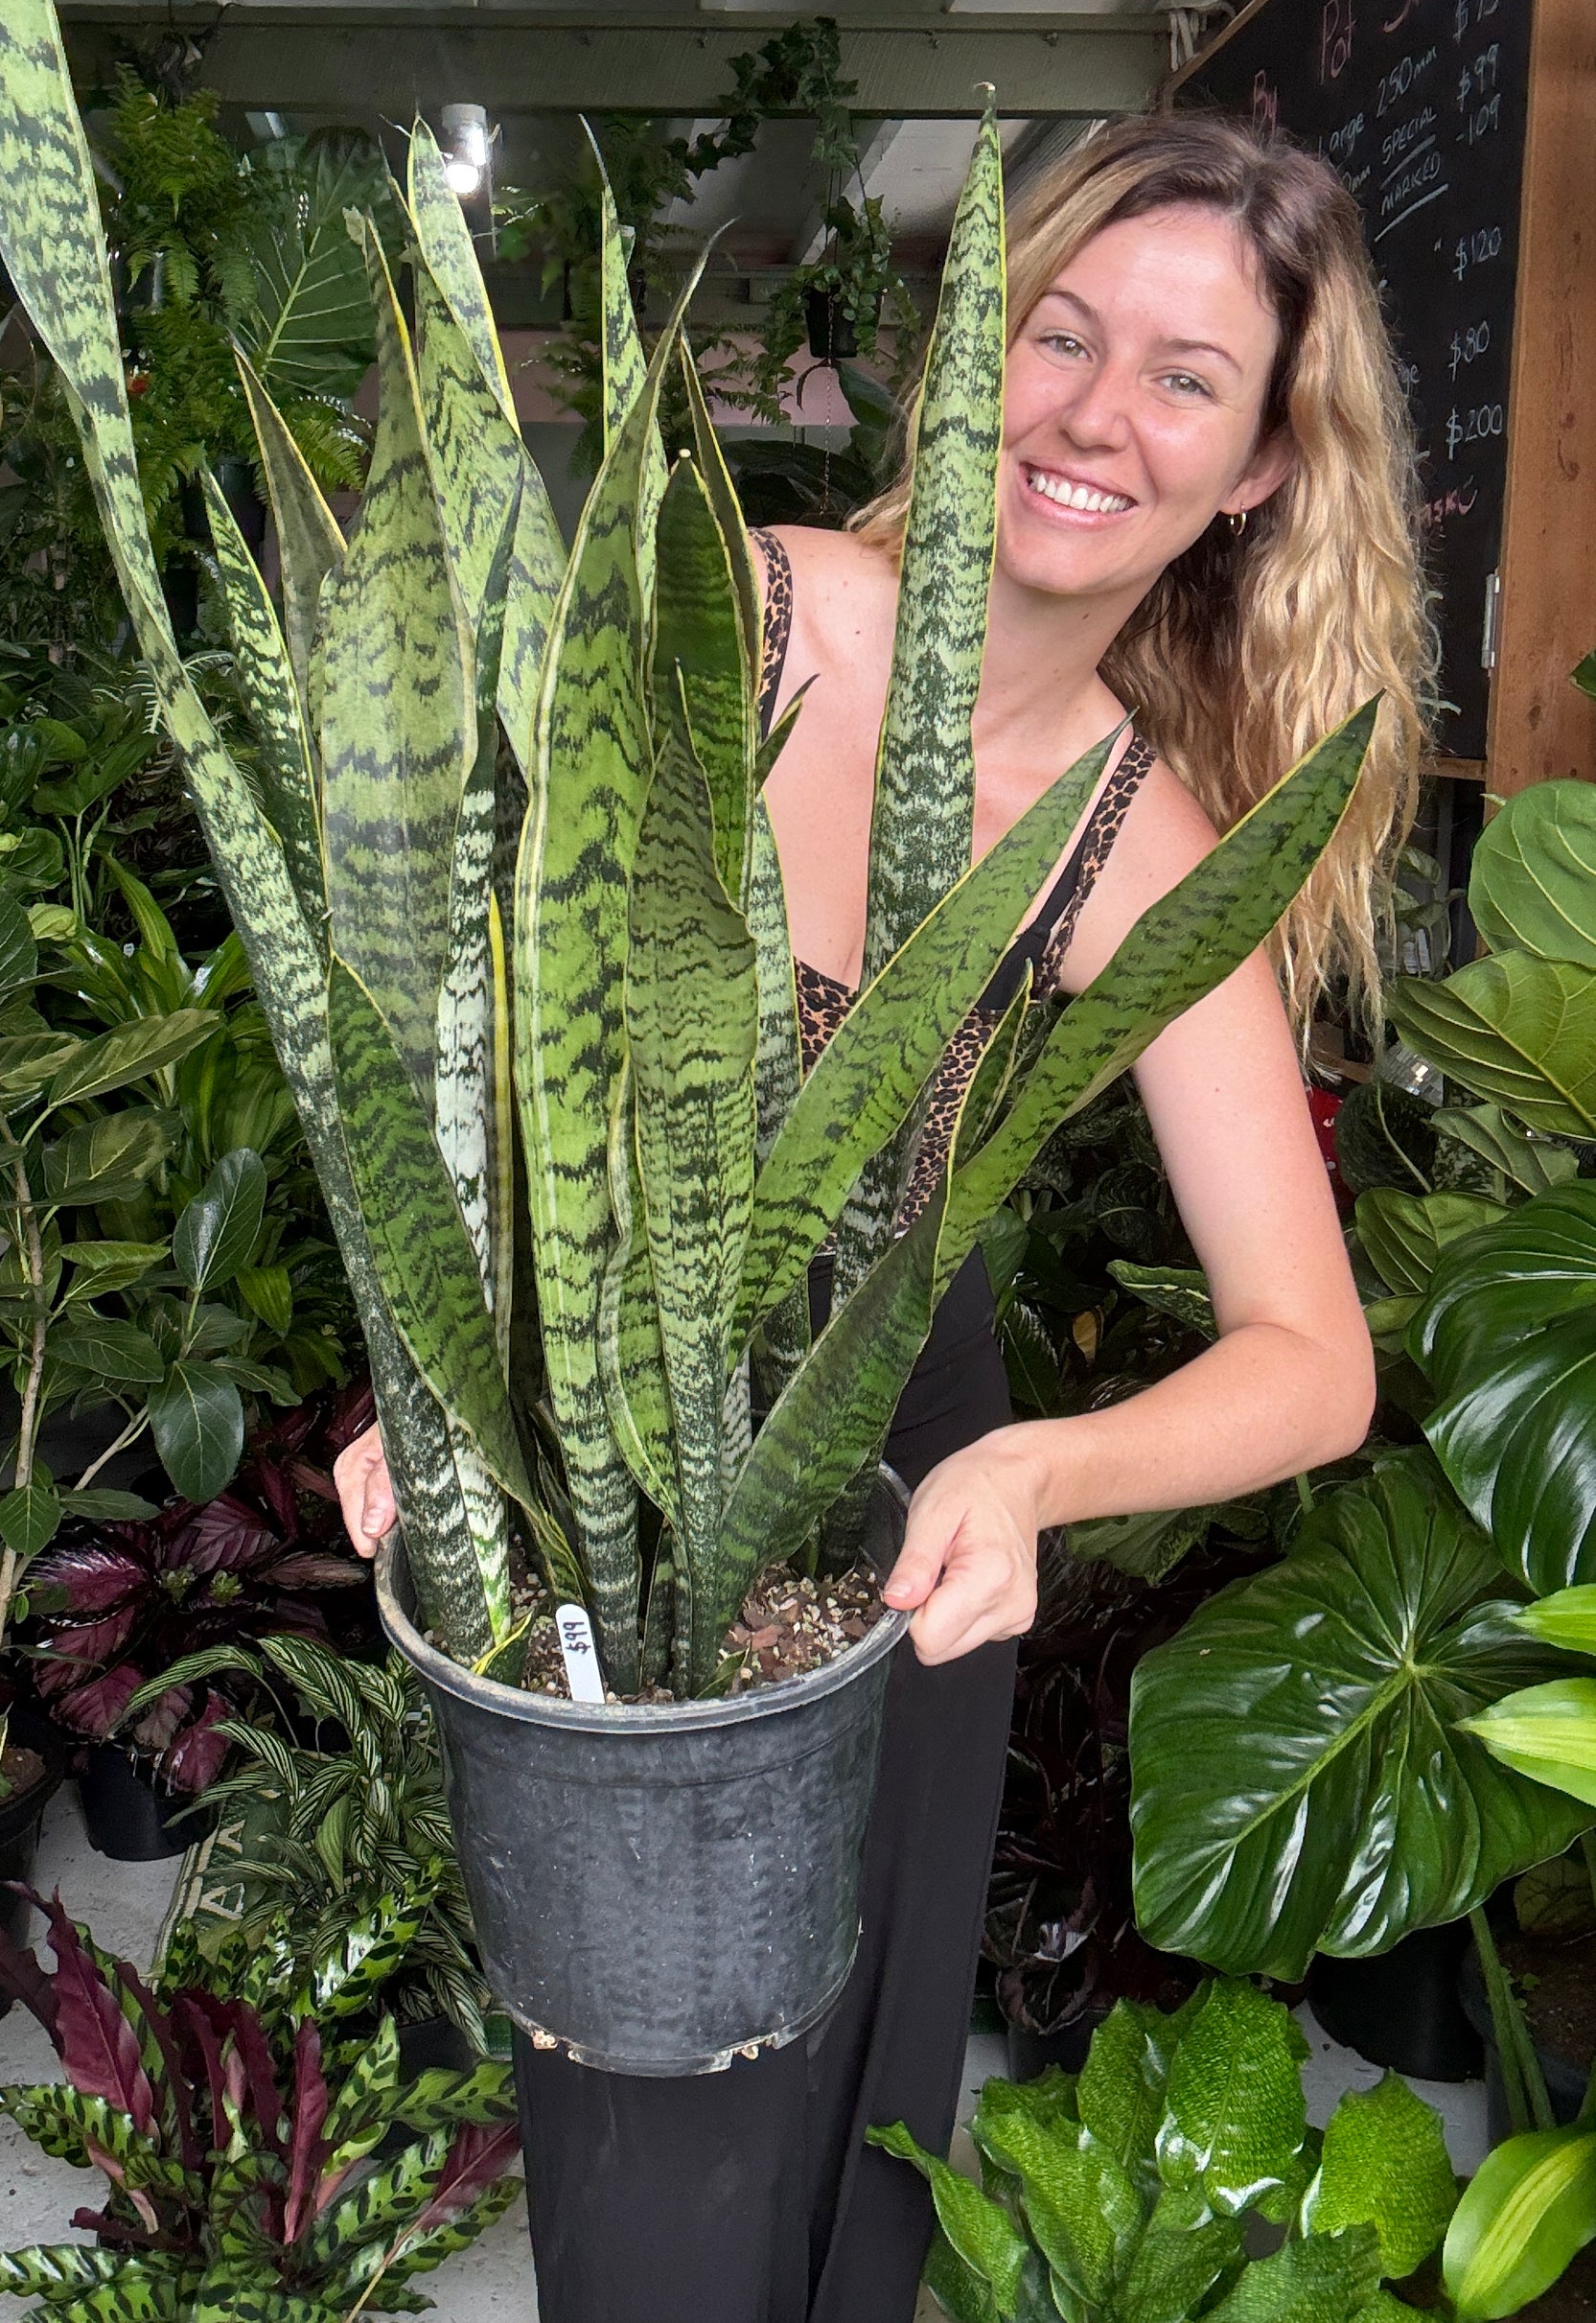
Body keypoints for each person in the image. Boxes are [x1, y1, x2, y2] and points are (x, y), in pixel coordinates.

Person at [334, 111, 1423, 2322]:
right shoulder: (720, 607)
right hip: (604, 1463)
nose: (1094, 415)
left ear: (1254, 474)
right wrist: (439, 1374)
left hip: (901, 1483)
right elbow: (460, 1035)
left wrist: (1029, 1468)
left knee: (849, 2094)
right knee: (643, 2122)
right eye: (1059, 332)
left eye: (1186, 379)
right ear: (973, 349)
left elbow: (1313, 1357)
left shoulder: (1144, 840)